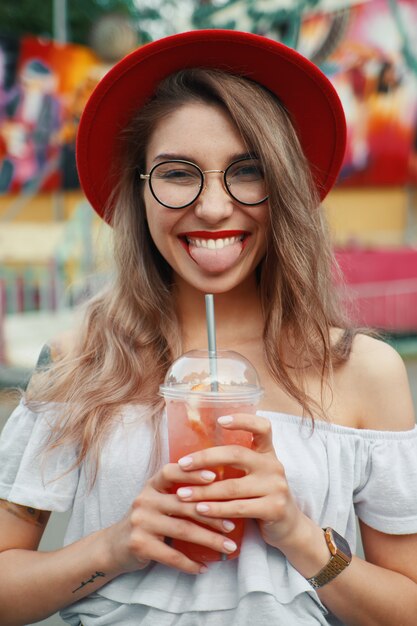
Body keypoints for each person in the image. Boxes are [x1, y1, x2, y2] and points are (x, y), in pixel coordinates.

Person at [0, 29, 416, 626]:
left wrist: (299, 536)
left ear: (286, 189)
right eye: (177, 173)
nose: (215, 207)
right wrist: (115, 547)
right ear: (139, 190)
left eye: (247, 171)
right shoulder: (76, 360)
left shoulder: (364, 371)